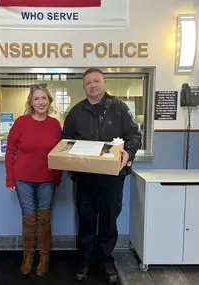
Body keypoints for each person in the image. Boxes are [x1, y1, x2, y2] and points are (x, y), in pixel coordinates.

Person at [62, 68, 142, 283]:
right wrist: (70, 162)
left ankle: (106, 260)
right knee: (86, 219)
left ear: (104, 83)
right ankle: (85, 260)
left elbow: (134, 135)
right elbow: (65, 141)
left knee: (108, 220)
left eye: (96, 81)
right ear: (83, 87)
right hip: (85, 177)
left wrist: (129, 152)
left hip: (113, 177)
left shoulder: (120, 108)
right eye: (88, 83)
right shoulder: (76, 112)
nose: (93, 85)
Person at [5, 83, 62, 277]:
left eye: (44, 98)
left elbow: (59, 152)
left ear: (49, 101)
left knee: (44, 219)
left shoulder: (55, 124)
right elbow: (10, 151)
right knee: (29, 220)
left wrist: (58, 176)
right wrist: (9, 178)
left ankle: (44, 257)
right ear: (30, 101)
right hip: (23, 180)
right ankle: (28, 256)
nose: (40, 102)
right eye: (36, 98)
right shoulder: (21, 122)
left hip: (47, 179)